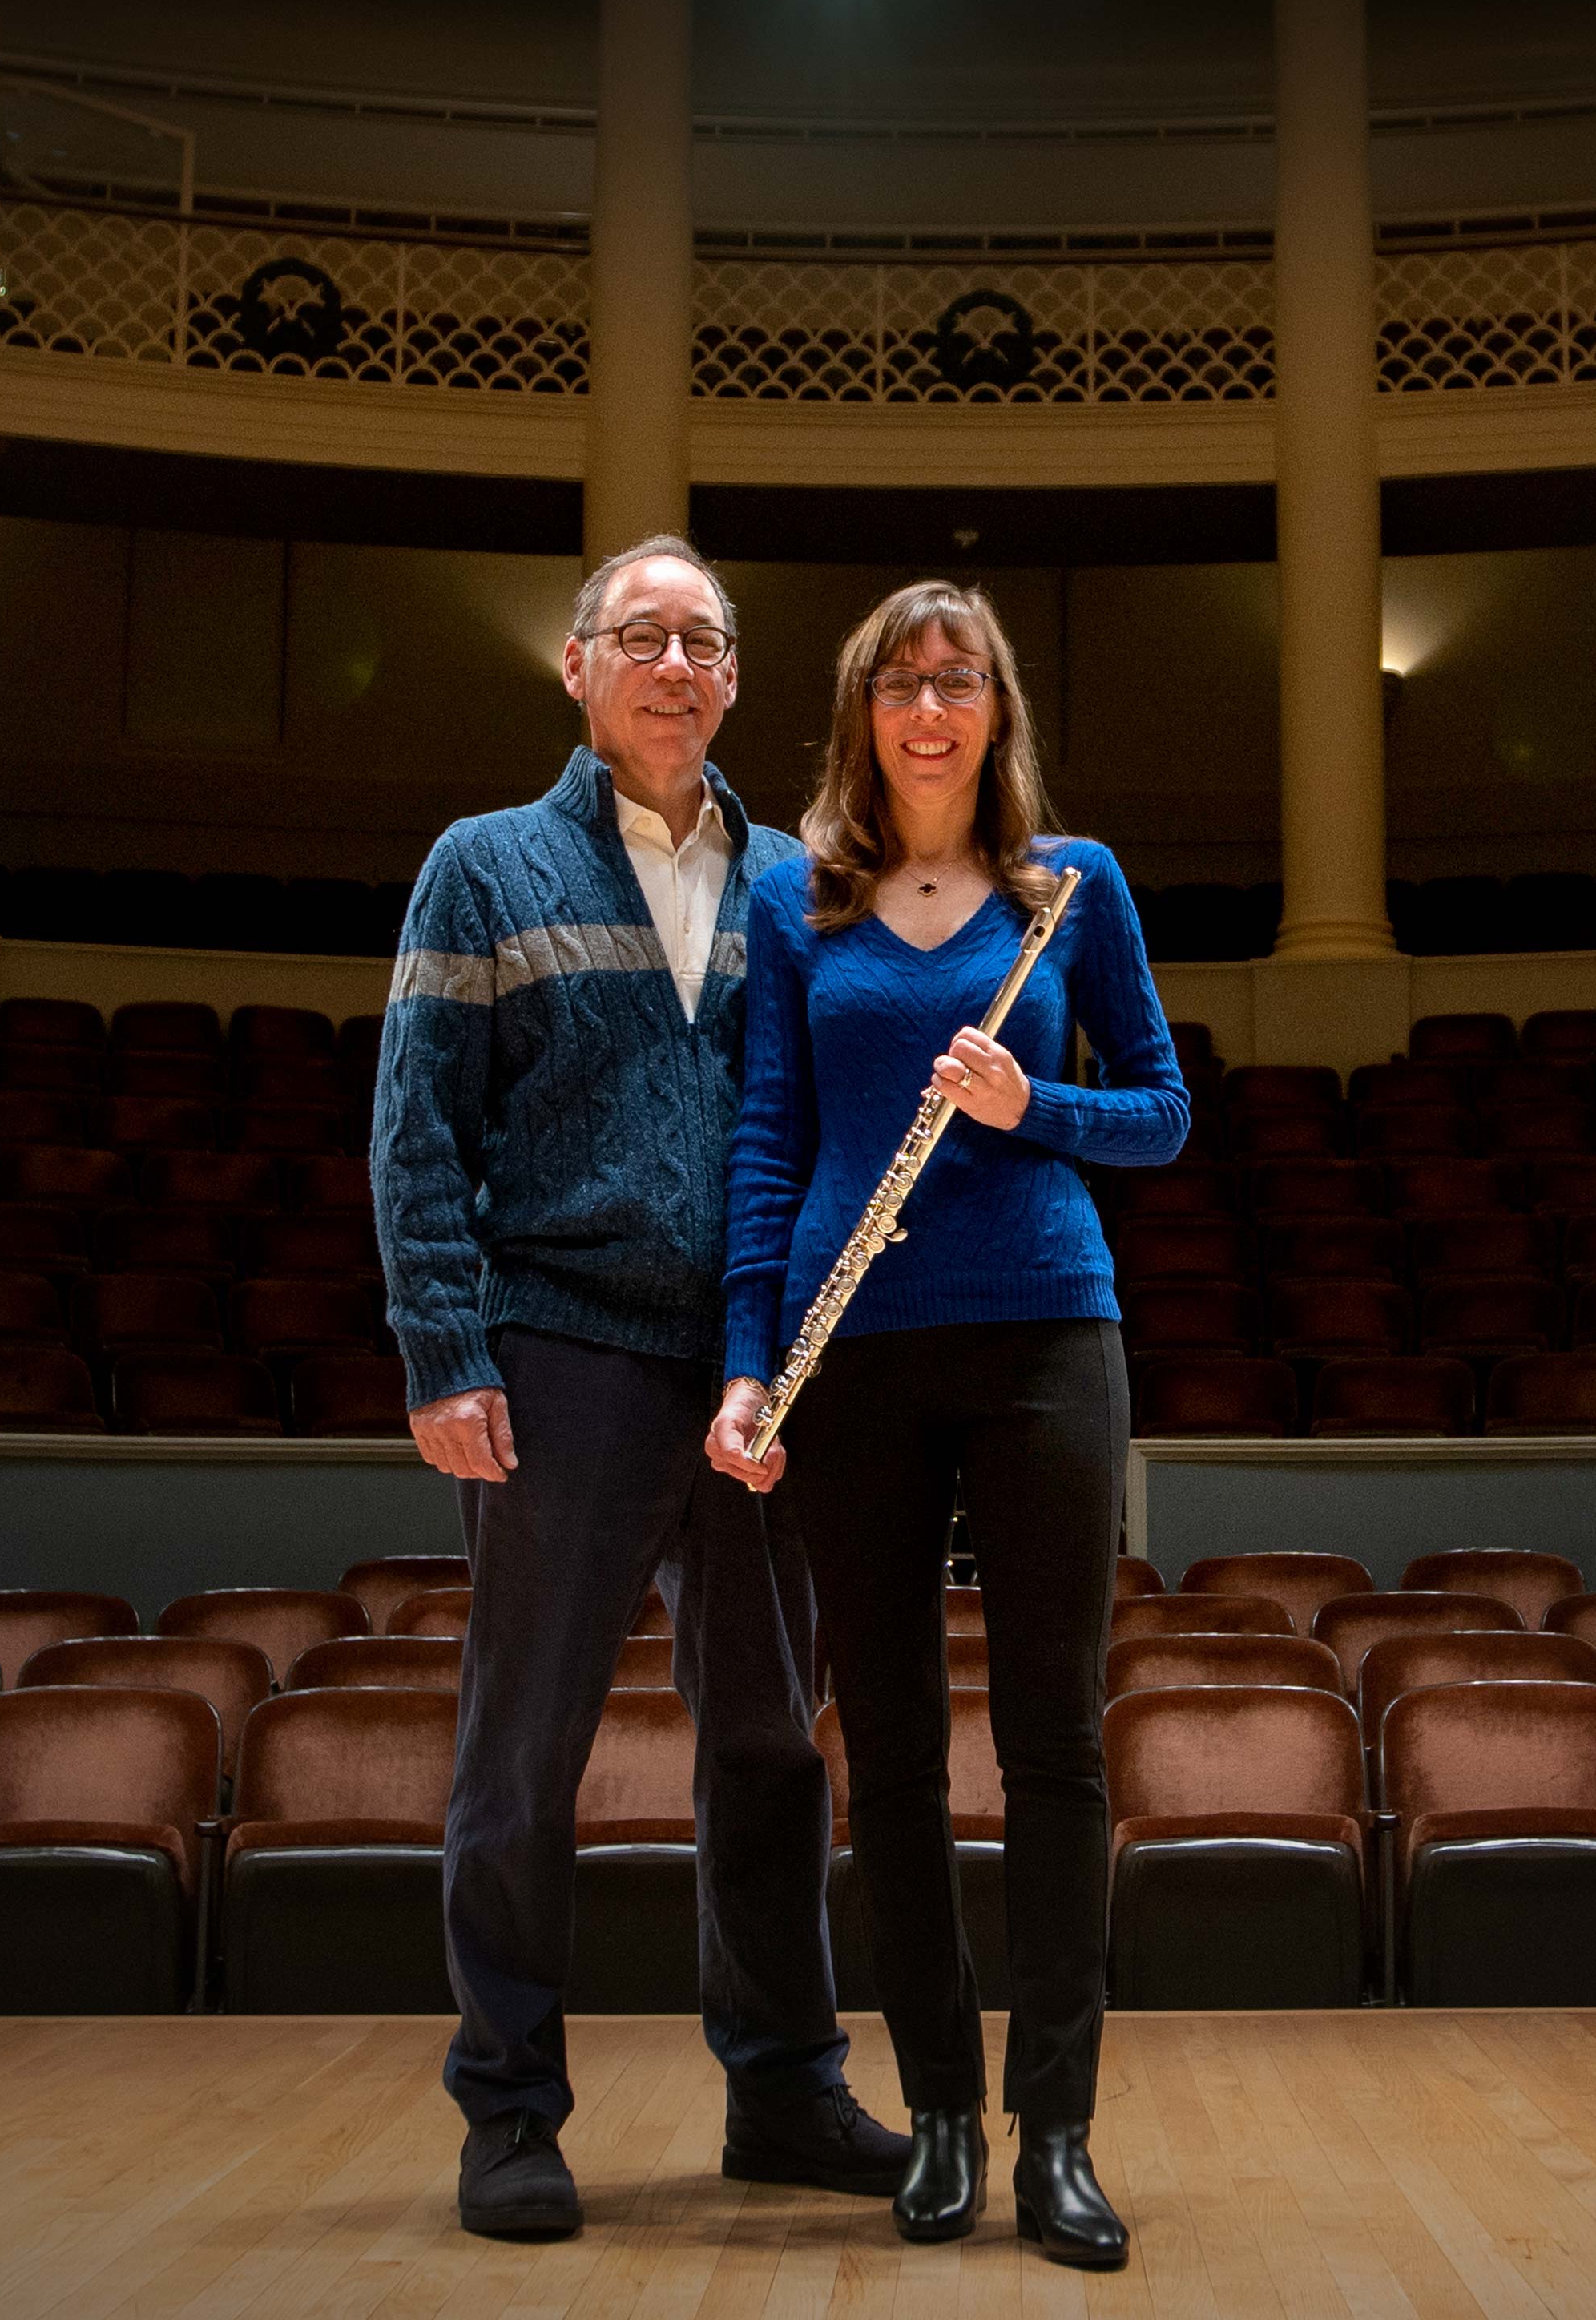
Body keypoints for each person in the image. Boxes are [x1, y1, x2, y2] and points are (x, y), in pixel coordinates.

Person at [374, 532, 909, 2243]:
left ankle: (783, 2089)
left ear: (737, 680)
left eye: (707, 641)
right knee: (523, 1750)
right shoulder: (484, 866)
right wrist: (445, 1353)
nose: (676, 664)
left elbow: (823, 1126)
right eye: (644, 635)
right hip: (557, 1355)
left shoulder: (796, 880)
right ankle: (509, 2109)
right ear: (578, 666)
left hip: (751, 1374)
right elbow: (415, 1131)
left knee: (767, 1742)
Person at [706, 579, 1188, 2270]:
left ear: (996, 707)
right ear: (861, 708)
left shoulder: (1076, 889)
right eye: (900, 681)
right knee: (892, 1759)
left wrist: (1025, 1100)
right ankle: (937, 2120)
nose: (930, 707)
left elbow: (1162, 1113)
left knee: (1053, 1745)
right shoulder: (798, 898)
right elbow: (768, 1137)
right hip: (858, 1357)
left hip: (1051, 1331)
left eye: (958, 678)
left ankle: (1056, 2133)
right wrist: (749, 1359)